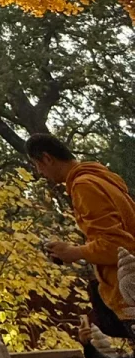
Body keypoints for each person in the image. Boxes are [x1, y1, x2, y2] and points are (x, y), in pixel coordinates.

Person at [27, 133, 135, 340]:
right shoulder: (102, 178)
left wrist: (74, 252)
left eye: (37, 165)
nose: (40, 173)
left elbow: (118, 246)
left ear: (47, 158)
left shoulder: (84, 186)